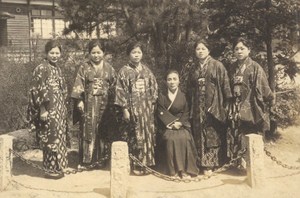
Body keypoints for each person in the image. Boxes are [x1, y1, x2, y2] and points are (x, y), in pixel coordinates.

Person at [184, 39, 232, 175]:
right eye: (198, 49)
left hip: (213, 106)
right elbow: (189, 88)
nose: (200, 51)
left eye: (203, 49)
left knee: (213, 134)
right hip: (197, 107)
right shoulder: (193, 68)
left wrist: (226, 104)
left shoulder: (217, 65)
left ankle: (212, 164)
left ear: (208, 50)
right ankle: (200, 163)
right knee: (198, 134)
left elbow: (225, 85)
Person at [227, 37, 274, 168]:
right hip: (235, 105)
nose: (239, 51)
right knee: (236, 132)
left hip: (251, 106)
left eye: (242, 48)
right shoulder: (232, 67)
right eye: (236, 49)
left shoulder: (255, 67)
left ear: (249, 50)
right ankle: (238, 162)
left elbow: (263, 87)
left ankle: (253, 164)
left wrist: (269, 97)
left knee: (251, 132)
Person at [71, 40, 117, 169]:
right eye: (93, 52)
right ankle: (86, 161)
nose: (96, 55)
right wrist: (79, 100)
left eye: (99, 52)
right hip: (88, 103)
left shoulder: (109, 68)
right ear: (89, 53)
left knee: (103, 130)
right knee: (88, 130)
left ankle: (102, 160)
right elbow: (78, 84)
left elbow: (115, 86)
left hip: (105, 104)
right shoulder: (84, 67)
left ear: (103, 53)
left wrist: (113, 103)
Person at [115, 41, 158, 175]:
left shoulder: (147, 71)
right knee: (134, 135)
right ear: (129, 54)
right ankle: (136, 165)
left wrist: (151, 104)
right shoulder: (124, 71)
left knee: (147, 135)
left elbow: (154, 88)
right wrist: (125, 109)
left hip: (146, 109)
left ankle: (148, 164)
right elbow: (120, 91)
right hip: (132, 109)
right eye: (133, 52)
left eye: (139, 52)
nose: (136, 55)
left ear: (142, 54)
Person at [28, 40, 68, 179]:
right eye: (52, 53)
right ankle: (50, 169)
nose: (55, 55)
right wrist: (42, 109)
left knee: (59, 136)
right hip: (48, 109)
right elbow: (36, 89)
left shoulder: (57, 68)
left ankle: (58, 167)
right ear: (46, 53)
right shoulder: (41, 68)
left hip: (59, 107)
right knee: (50, 137)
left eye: (57, 53)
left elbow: (63, 90)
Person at [156, 70, 198, 178]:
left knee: (185, 138)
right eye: (169, 79)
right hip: (168, 126)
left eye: (175, 79)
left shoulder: (184, 96)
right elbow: (161, 111)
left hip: (181, 125)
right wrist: (171, 123)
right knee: (170, 139)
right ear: (166, 82)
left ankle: (185, 170)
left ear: (179, 81)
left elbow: (187, 112)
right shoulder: (162, 96)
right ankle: (172, 170)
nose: (172, 82)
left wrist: (180, 122)